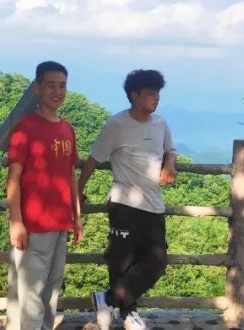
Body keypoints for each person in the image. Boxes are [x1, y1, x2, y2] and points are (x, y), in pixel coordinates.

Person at [78, 69, 177, 330]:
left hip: (154, 204)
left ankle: (107, 300)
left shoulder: (161, 124)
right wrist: (78, 189)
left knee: (157, 261)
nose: (156, 98)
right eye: (150, 93)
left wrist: (169, 164)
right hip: (124, 203)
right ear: (134, 95)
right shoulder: (116, 124)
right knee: (121, 262)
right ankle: (129, 314)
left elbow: (170, 150)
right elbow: (94, 158)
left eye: (158, 93)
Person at [5, 61, 83, 330]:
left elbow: (70, 175)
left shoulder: (67, 129)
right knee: (30, 294)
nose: (57, 92)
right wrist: (16, 222)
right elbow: (13, 178)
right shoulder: (25, 128)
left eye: (62, 86)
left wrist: (77, 218)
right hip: (33, 224)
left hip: (60, 222)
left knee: (50, 291)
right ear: (37, 88)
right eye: (50, 85)